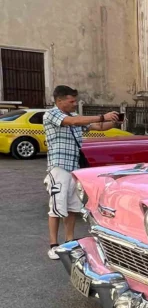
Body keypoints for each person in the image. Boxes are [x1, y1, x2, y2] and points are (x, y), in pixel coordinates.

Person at [43, 86, 120, 260]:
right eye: (71, 101)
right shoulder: (52, 114)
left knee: (72, 207)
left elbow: (97, 127)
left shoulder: (72, 118)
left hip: (74, 167)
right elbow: (73, 122)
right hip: (59, 167)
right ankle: (53, 245)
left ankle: (69, 241)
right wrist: (102, 116)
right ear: (59, 101)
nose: (74, 104)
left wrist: (114, 121)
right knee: (56, 206)